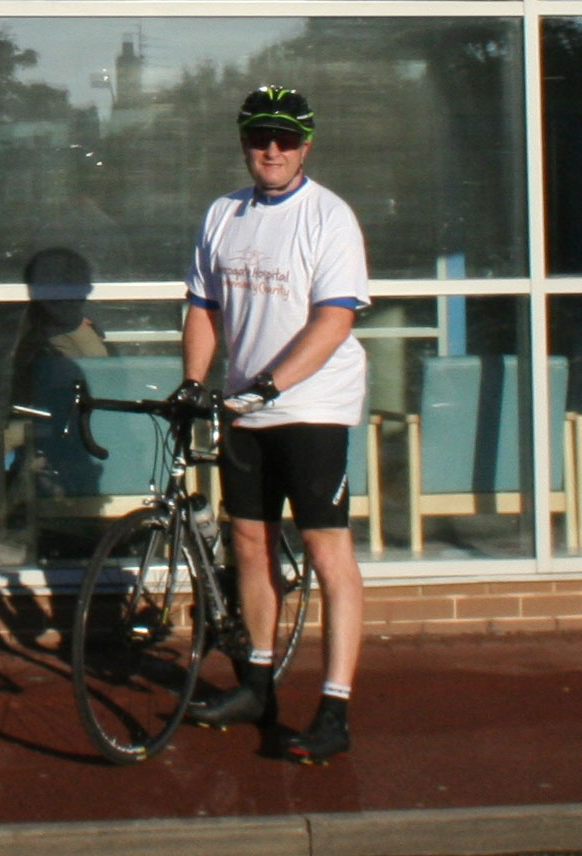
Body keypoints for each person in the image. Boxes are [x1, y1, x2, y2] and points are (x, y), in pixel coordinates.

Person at [173, 86, 370, 765]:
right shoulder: (224, 214)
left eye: (286, 139)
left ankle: (336, 709)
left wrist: (270, 387)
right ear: (244, 142)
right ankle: (257, 685)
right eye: (261, 137)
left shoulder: (329, 218)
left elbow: (334, 320)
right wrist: (196, 385)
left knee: (325, 552)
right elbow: (203, 306)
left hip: (313, 407)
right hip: (245, 409)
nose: (273, 150)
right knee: (249, 546)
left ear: (306, 145)